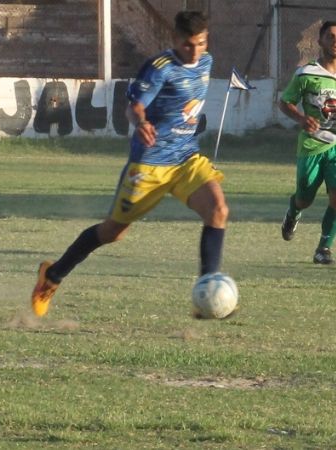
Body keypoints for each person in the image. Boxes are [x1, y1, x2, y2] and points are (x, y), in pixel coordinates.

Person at [30, 11, 228, 317]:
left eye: (201, 43)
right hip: (150, 164)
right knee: (112, 232)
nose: (196, 50)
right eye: (189, 44)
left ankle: (207, 289)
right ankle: (52, 276)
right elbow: (134, 106)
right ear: (175, 40)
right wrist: (141, 122)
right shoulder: (160, 68)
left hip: (186, 157)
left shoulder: (206, 62)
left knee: (218, 211)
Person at [278, 21, 336, 265]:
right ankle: (294, 212)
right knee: (304, 198)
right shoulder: (306, 73)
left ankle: (324, 248)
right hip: (312, 145)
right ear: (320, 42)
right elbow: (285, 102)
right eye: (330, 36)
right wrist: (301, 118)